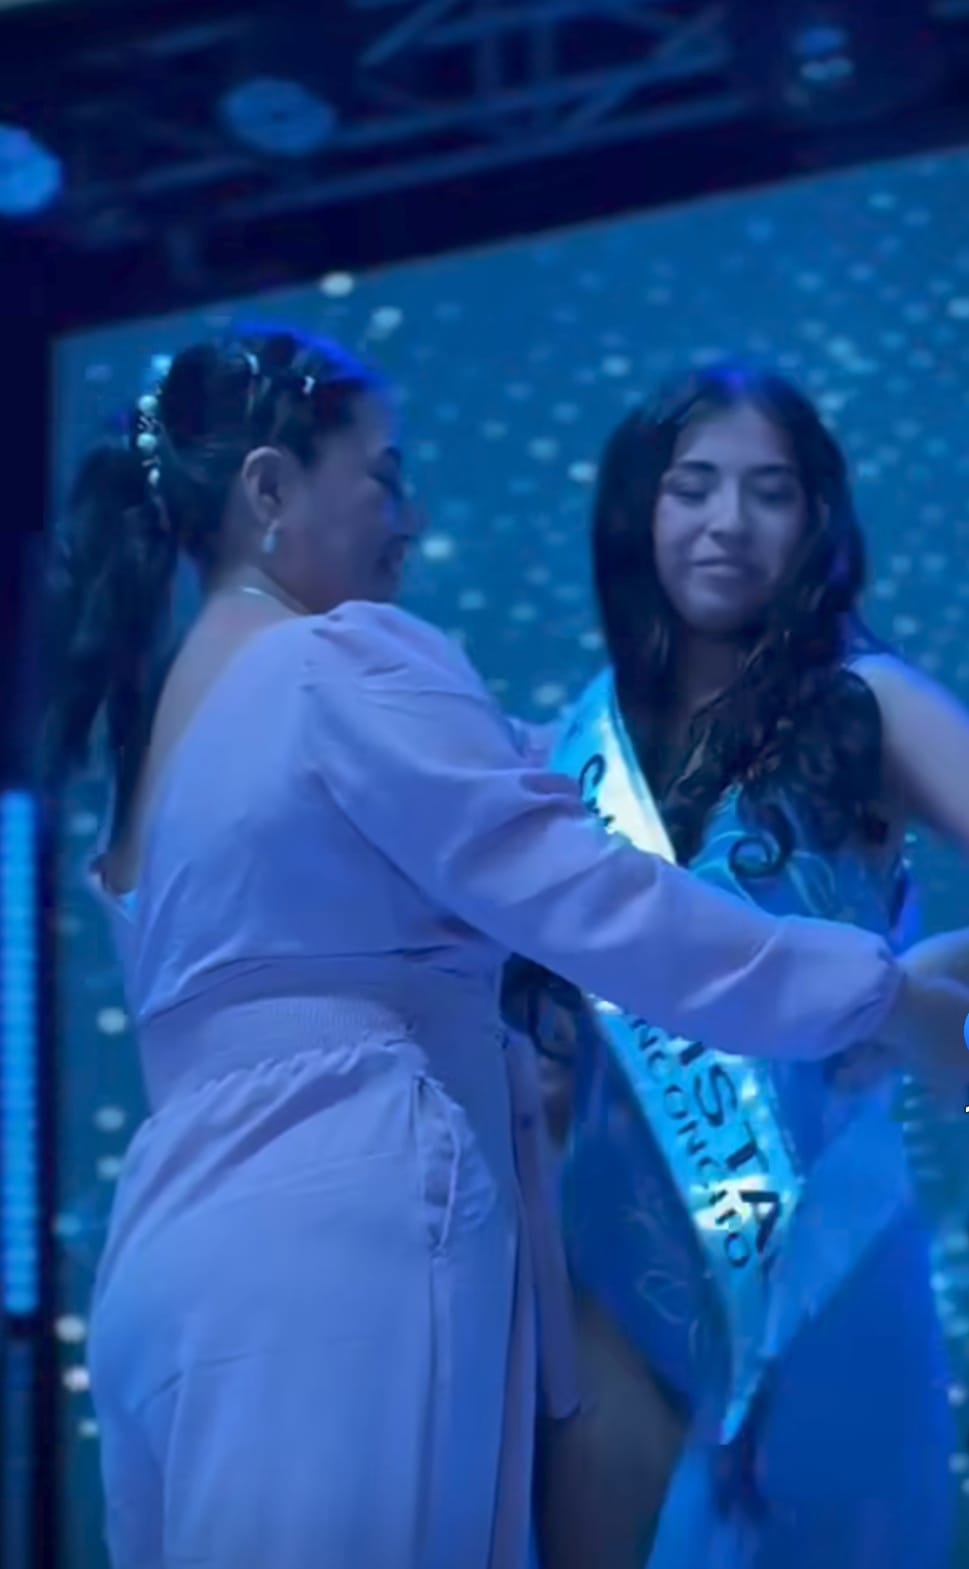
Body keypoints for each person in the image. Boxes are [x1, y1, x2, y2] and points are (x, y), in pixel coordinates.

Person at [42, 335, 967, 1569]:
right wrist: (881, 994)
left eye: (770, 491)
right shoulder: (344, 661)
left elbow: (535, 797)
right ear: (269, 490)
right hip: (345, 1238)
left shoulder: (161, 737)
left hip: (167, 1253)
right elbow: (598, 899)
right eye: (384, 477)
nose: (411, 518)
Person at [509, 363, 969, 1569]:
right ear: (639, 511)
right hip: (609, 1266)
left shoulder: (867, 702)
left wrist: (924, 987)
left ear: (816, 519)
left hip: (824, 1253)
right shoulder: (572, 749)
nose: (729, 522)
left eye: (770, 492)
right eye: (694, 487)